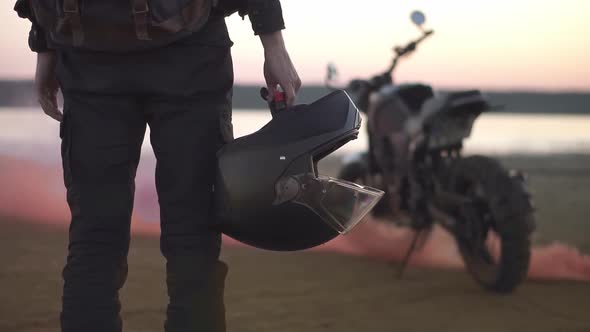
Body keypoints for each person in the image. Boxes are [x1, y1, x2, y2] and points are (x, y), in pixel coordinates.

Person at [14, 0, 301, 331]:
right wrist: (273, 43)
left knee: (94, 238)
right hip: (188, 55)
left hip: (89, 58)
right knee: (193, 240)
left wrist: (45, 46)